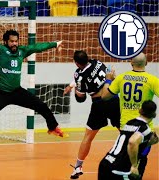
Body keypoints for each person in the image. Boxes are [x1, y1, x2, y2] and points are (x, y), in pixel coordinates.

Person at [0, 18, 67, 138]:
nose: (15, 44)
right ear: (6, 41)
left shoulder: (22, 51)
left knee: (42, 106)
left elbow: (37, 47)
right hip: (0, 93)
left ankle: (53, 127)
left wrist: (55, 44)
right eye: (12, 41)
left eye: (16, 41)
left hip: (17, 92)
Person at [63, 50, 120, 179]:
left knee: (88, 137)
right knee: (124, 133)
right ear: (87, 58)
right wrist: (72, 85)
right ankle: (133, 161)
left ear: (76, 63)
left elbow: (81, 97)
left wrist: (76, 89)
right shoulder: (97, 62)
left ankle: (78, 167)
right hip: (113, 98)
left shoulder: (79, 75)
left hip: (99, 103)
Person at [101, 52, 159, 178]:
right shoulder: (152, 80)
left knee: (126, 159)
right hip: (144, 129)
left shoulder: (122, 77)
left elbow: (104, 96)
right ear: (147, 63)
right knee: (139, 161)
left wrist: (108, 80)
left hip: (126, 126)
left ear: (131, 63)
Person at [98, 100, 158, 180]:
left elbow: (127, 142)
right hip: (119, 169)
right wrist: (134, 166)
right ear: (154, 115)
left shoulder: (129, 123)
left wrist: (148, 143)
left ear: (140, 110)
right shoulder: (145, 129)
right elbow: (132, 142)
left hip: (106, 162)